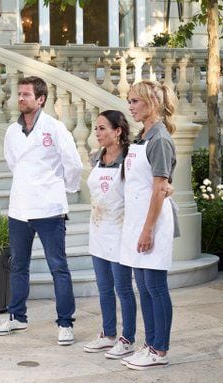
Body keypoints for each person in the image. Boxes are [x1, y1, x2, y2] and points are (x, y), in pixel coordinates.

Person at [0, 76, 83, 346]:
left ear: (40, 99)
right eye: (19, 94)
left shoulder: (55, 128)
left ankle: (65, 323)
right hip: (19, 209)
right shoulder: (11, 131)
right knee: (19, 266)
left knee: (59, 267)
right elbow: (14, 164)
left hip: (49, 209)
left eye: (26, 94)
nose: (21, 98)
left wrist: (62, 187)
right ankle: (17, 317)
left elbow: (73, 164)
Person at [119, 80, 179, 370]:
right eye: (129, 101)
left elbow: (159, 188)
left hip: (152, 224)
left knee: (155, 287)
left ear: (151, 102)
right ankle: (150, 343)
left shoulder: (159, 139)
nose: (130, 106)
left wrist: (147, 230)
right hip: (138, 221)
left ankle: (160, 350)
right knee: (143, 286)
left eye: (135, 101)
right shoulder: (143, 136)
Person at [82, 110, 137, 359]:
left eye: (103, 128)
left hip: (120, 231)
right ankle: (107, 334)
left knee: (123, 289)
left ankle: (127, 339)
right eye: (96, 128)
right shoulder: (96, 158)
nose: (98, 133)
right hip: (98, 230)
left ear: (118, 131)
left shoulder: (130, 159)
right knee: (104, 288)